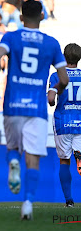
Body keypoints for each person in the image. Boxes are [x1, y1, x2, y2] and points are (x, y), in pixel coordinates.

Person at [0, 0, 69, 220]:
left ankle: (13, 161)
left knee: (13, 148)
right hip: (36, 108)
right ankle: (27, 203)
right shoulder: (51, 43)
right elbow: (64, 78)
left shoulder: (11, 37)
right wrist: (53, 90)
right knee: (33, 157)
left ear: (21, 18)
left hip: (12, 104)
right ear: (42, 16)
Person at [48, 43, 81, 208]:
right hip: (80, 122)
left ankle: (69, 201)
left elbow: (51, 100)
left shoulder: (56, 76)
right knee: (79, 156)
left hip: (63, 122)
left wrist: (54, 95)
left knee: (64, 161)